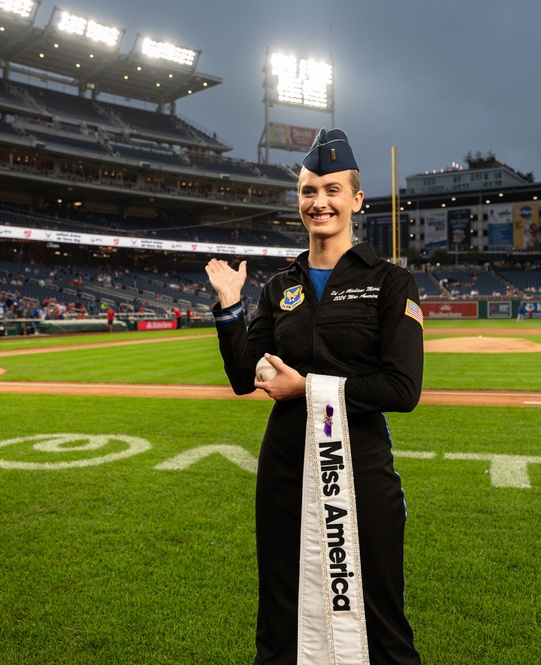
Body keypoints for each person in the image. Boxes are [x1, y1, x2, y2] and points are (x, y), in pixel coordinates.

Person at [206, 129, 424, 664]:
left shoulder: (392, 283)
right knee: (279, 612)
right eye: (308, 191)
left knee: (380, 615)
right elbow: (244, 376)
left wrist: (308, 388)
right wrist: (231, 309)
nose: (318, 202)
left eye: (331, 190)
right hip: (285, 465)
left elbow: (402, 389)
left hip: (361, 465)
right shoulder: (280, 287)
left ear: (355, 200)